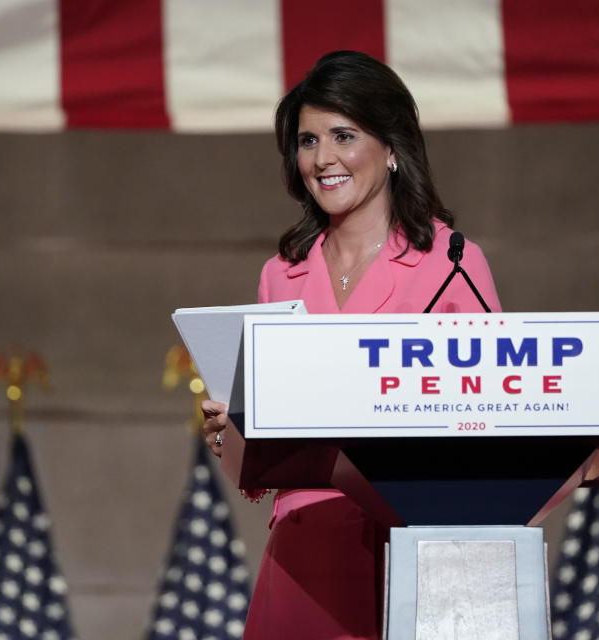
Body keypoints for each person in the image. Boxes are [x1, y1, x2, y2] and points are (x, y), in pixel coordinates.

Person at [202, 50, 501, 639]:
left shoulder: (451, 263)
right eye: (308, 141)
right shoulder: (279, 274)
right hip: (303, 550)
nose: (323, 158)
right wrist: (229, 429)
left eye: (344, 135)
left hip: (413, 548)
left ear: (392, 148)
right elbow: (259, 471)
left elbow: (491, 420)